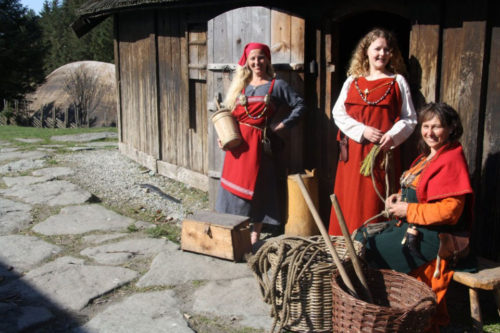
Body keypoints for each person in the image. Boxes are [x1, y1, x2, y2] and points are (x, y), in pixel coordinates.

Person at [357, 102, 474, 332]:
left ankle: (392, 315)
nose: (429, 132)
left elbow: (450, 212)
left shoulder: (451, 160)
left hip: (433, 237)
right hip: (412, 227)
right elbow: (416, 192)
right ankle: (378, 312)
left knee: (372, 250)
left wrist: (408, 210)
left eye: (437, 127)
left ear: (451, 128)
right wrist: (398, 200)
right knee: (363, 237)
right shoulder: (426, 158)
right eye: (425, 126)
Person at [328, 28, 417, 236]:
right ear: (366, 51)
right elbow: (338, 113)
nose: (382, 54)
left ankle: (374, 252)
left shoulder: (397, 82)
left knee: (373, 201)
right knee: (350, 199)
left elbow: (410, 118)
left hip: (381, 154)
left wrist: (393, 136)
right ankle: (345, 245)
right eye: (377, 49)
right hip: (352, 156)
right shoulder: (352, 81)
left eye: (387, 50)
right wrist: (362, 131)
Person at [215, 42, 306, 245]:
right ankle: (235, 228)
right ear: (247, 61)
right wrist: (224, 137)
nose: (257, 62)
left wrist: (281, 125)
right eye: (253, 58)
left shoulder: (277, 85)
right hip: (237, 145)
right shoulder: (241, 87)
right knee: (233, 188)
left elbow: (300, 105)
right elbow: (229, 116)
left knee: (259, 188)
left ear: (267, 60)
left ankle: (256, 231)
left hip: (260, 145)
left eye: (261, 57)